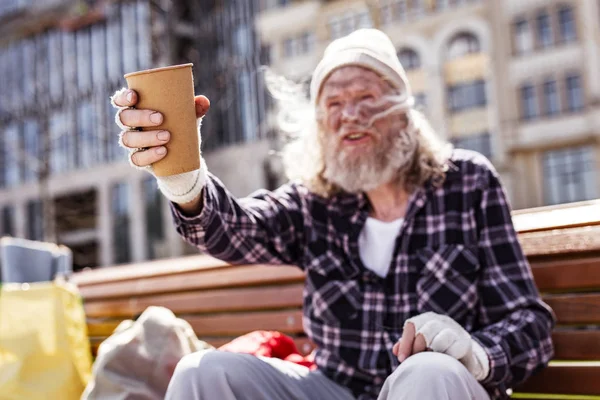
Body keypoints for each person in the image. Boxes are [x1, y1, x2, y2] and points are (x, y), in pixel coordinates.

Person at [111, 29, 554, 400]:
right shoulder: (316, 202)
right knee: (200, 373)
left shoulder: (467, 183)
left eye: (366, 97)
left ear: (403, 113)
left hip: (435, 389)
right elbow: (232, 230)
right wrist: (181, 171)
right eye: (334, 104)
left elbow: (531, 324)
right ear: (320, 125)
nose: (350, 116)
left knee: (429, 372)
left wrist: (475, 351)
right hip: (334, 388)